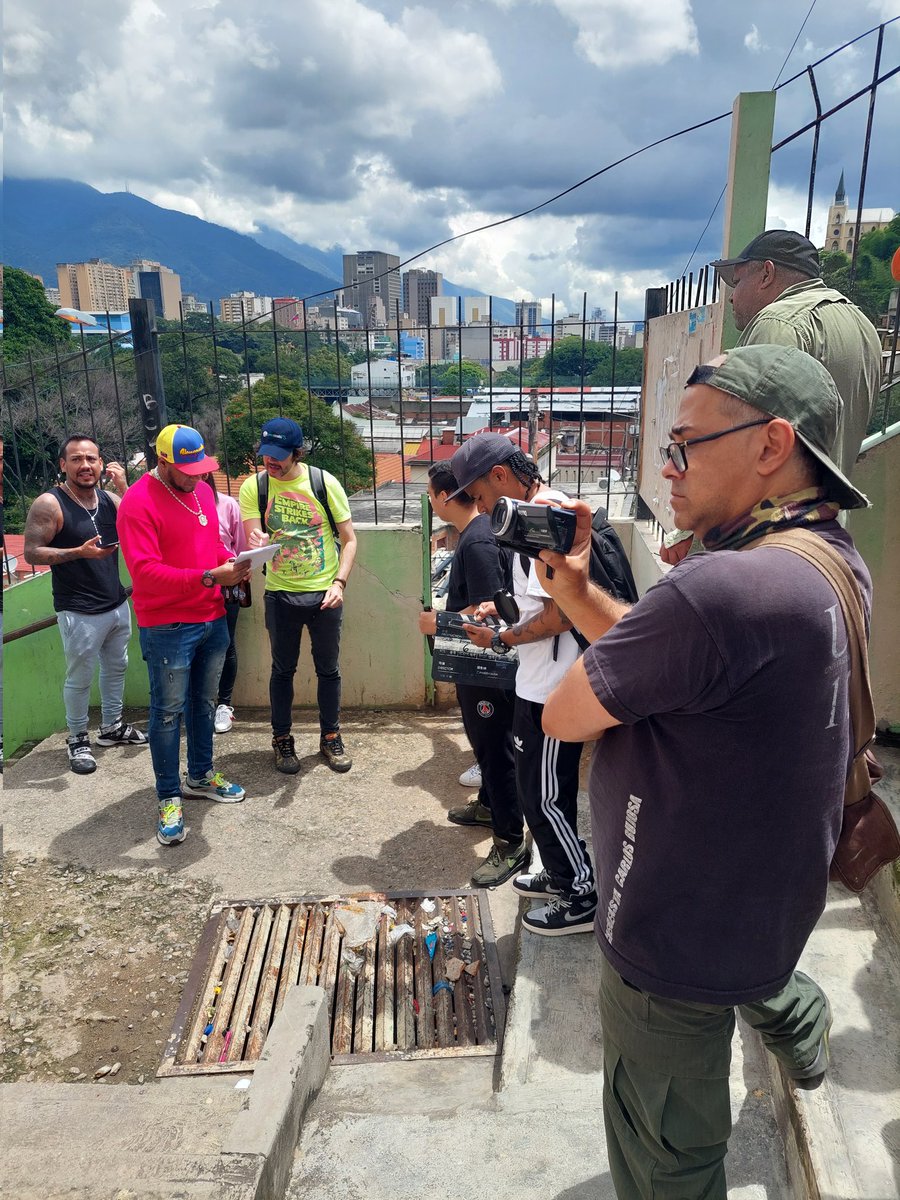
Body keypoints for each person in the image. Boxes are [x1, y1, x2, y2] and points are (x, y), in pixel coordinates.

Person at [539, 343, 871, 1198]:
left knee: (665, 1156)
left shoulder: (720, 592)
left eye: (684, 444)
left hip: (671, 927)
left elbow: (565, 713)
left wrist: (569, 616)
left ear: (771, 445)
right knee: (765, 982)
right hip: (762, 898)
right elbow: (680, 668)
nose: (668, 467)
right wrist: (579, 593)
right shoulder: (825, 556)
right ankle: (803, 1032)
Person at [449, 433, 597, 936]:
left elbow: (558, 616)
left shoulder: (547, 517)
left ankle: (580, 894)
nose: (480, 507)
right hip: (535, 679)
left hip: (557, 683)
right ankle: (561, 873)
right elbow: (535, 602)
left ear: (500, 476)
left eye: (480, 495)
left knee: (545, 797)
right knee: (536, 789)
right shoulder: (523, 517)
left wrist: (501, 639)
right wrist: (501, 613)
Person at [663, 229, 881, 567]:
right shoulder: (862, 325)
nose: (732, 298)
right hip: (825, 533)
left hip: (765, 536)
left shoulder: (776, 323)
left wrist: (691, 529)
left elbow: (743, 445)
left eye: (736, 284)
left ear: (766, 273)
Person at [117, 425, 251, 846]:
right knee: (167, 711)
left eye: (201, 468)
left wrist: (235, 559)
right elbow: (145, 572)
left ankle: (200, 774)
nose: (197, 476)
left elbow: (209, 545)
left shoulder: (204, 492)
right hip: (167, 624)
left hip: (211, 616)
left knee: (205, 702)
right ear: (162, 462)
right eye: (188, 470)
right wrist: (211, 576)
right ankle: (168, 795)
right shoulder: (137, 503)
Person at [418, 462, 526, 887]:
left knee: (495, 752)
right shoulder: (473, 535)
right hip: (476, 667)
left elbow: (491, 610)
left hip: (487, 670)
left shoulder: (478, 540)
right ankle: (487, 806)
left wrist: (438, 624)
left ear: (446, 495)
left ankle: (509, 840)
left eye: (430, 493)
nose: (430, 501)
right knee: (486, 746)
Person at [238, 418, 358, 775]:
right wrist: (257, 543)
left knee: (329, 670)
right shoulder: (254, 487)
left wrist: (339, 583)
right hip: (280, 594)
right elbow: (253, 536)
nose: (271, 463)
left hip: (324, 593)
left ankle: (330, 736)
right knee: (282, 670)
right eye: (266, 456)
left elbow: (349, 539)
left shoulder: (323, 483)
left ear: (297, 453)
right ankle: (281, 739)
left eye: (278, 456)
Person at [23, 434, 146, 774]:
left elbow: (139, 519)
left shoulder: (108, 499)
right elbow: (32, 552)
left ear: (101, 464)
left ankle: (112, 727)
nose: (85, 465)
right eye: (76, 459)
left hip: (115, 601)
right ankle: (77, 738)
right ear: (63, 465)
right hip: (78, 608)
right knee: (80, 677)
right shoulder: (50, 503)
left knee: (116, 666)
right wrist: (78, 552)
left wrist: (124, 487)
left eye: (91, 459)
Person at [199, 471, 249, 735]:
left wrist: (234, 567)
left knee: (225, 643)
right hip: (192, 585)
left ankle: (224, 704)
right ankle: (198, 705)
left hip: (225, 586)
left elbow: (238, 547)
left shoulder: (228, 505)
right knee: (193, 647)